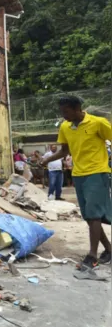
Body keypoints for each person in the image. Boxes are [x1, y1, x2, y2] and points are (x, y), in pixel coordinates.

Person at [41, 96, 112, 270]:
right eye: (62, 112)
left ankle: (92, 256)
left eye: (66, 111)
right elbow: (65, 151)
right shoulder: (66, 127)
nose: (63, 115)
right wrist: (48, 160)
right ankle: (109, 250)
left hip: (97, 172)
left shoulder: (98, 123)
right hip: (78, 174)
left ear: (77, 108)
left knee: (94, 215)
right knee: (88, 216)